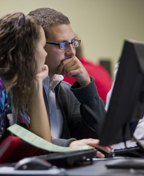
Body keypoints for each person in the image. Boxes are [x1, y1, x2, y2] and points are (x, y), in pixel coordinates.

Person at [0, 12, 51, 167]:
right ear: (27, 51)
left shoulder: (2, 86)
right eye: (42, 46)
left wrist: (36, 84)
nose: (45, 53)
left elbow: (41, 146)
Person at [28, 8, 112, 158]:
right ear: (37, 46)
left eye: (73, 43)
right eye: (62, 45)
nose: (72, 52)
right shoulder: (18, 89)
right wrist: (68, 146)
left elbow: (98, 139)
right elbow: (25, 139)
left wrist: (86, 85)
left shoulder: (64, 90)